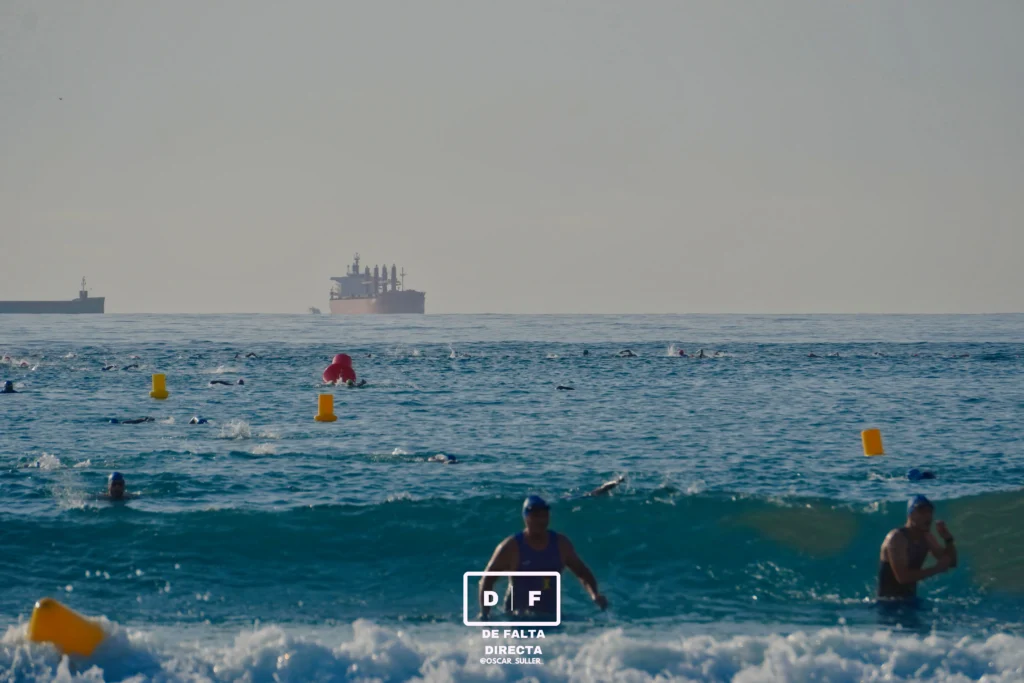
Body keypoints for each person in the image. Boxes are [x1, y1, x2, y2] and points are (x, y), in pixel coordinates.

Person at [479, 496, 607, 619]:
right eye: (536, 516)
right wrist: (485, 613)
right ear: (526, 518)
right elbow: (487, 580)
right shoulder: (512, 546)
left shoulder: (561, 544)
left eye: (544, 515)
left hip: (551, 616)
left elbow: (582, 572)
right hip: (517, 617)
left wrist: (594, 594)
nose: (541, 520)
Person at [877, 495, 957, 599]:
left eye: (930, 512)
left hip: (911, 600)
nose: (927, 516)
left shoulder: (927, 537)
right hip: (888, 603)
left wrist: (948, 540)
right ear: (911, 515)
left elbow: (951, 563)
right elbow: (902, 577)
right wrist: (936, 569)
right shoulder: (897, 538)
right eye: (922, 512)